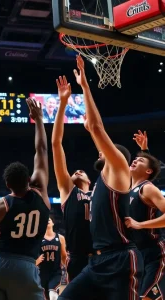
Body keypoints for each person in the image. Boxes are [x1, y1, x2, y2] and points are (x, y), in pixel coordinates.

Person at [59, 55, 143, 300]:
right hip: (97, 262)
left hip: (121, 259)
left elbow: (96, 128)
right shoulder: (98, 184)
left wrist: (85, 86)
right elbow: (92, 128)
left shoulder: (118, 168)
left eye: (104, 149)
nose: (99, 150)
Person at [0, 98, 50, 300]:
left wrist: (3, 246)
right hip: (26, 265)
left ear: (7, 185)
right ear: (29, 179)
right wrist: (39, 120)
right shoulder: (41, 192)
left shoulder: (1, 205)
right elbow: (41, 150)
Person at [51, 75, 92, 282]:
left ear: (91, 181)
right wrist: (63, 104)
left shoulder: (99, 191)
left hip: (104, 257)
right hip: (78, 259)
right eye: (75, 171)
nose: (77, 171)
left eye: (82, 171)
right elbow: (56, 144)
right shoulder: (68, 190)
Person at [125, 130, 164, 300]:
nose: (134, 160)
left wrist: (140, 224)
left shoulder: (147, 188)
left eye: (140, 160)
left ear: (148, 171)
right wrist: (144, 150)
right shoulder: (129, 190)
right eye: (135, 159)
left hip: (154, 252)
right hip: (137, 254)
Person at [36, 217, 66, 300]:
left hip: (55, 272)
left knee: (53, 295)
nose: (47, 221)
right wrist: (36, 261)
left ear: (53, 223)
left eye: (49, 219)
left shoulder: (60, 238)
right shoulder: (38, 239)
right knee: (45, 297)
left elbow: (63, 255)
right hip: (42, 273)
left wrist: (67, 269)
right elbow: (33, 256)